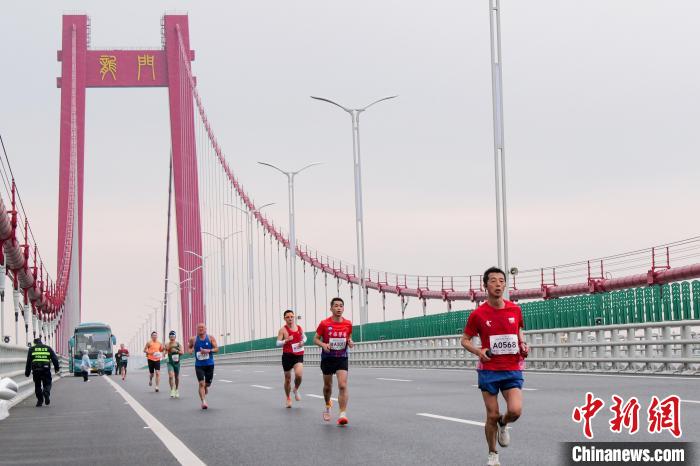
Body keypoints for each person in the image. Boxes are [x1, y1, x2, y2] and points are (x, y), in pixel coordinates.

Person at [461, 267, 529, 466]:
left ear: (505, 285)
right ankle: (493, 454)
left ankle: (503, 423)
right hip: (489, 370)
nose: (498, 284)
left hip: (512, 368)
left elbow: (519, 330)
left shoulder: (515, 309)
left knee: (515, 411)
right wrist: (478, 351)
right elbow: (464, 340)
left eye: (501, 280)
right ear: (485, 286)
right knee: (492, 414)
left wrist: (523, 343)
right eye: (493, 281)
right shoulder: (478, 314)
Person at [313, 297, 354, 426]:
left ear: (343, 308)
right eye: (336, 306)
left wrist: (350, 342)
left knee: (342, 385)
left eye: (341, 306)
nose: (338, 308)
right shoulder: (324, 323)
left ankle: (342, 414)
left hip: (342, 357)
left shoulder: (348, 323)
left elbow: (349, 338)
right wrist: (323, 345)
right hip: (328, 358)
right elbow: (315, 339)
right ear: (331, 308)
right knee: (328, 387)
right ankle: (327, 405)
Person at [276, 310, 305, 408]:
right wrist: (286, 340)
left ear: (294, 317)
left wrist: (303, 342)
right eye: (288, 317)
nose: (290, 318)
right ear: (284, 318)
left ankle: (295, 389)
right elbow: (277, 343)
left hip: (298, 355)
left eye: (292, 316)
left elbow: (305, 338)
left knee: (299, 375)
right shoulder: (282, 330)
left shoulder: (299, 328)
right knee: (288, 379)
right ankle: (288, 398)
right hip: (287, 356)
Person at [188, 323, 218, 409]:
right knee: (201, 383)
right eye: (199, 328)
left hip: (209, 364)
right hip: (199, 365)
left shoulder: (210, 338)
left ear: (205, 329)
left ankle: (206, 386)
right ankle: (203, 402)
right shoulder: (193, 339)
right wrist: (190, 350)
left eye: (202, 327)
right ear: (197, 329)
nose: (201, 329)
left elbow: (216, 349)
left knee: (207, 384)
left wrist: (208, 350)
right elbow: (189, 347)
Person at [24, 336, 60, 407]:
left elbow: (29, 362)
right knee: (48, 383)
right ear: (41, 342)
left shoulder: (32, 349)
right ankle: (46, 392)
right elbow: (55, 359)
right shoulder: (48, 348)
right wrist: (57, 368)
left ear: (35, 343)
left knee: (37, 385)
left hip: (36, 370)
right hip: (46, 369)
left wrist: (27, 372)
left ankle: (40, 401)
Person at [165, 330, 184, 398]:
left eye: (173, 335)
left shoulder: (178, 344)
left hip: (177, 362)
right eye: (170, 336)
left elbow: (182, 353)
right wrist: (166, 351)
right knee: (171, 376)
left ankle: (177, 390)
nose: (171, 337)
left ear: (175, 336)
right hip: (170, 362)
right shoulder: (167, 344)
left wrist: (176, 351)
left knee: (177, 377)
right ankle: (172, 390)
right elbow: (164, 352)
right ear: (169, 337)